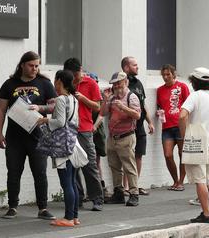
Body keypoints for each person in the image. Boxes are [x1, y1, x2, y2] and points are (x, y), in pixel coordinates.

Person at [0, 51, 57, 220]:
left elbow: (54, 107)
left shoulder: (45, 83)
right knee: (13, 172)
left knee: (40, 172)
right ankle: (12, 206)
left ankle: (43, 208)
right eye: (31, 65)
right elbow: (1, 110)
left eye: (37, 66)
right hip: (14, 137)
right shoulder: (10, 83)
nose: (34, 69)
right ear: (22, 65)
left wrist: (40, 108)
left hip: (38, 136)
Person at [35, 70, 80, 227]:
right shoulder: (74, 99)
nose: (54, 83)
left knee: (66, 183)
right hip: (72, 142)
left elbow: (60, 122)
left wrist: (45, 121)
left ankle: (67, 218)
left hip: (62, 146)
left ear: (59, 81)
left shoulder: (61, 99)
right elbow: (73, 121)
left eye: (55, 80)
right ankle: (74, 217)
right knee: (72, 182)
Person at [179, 67, 209, 224]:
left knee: (200, 179)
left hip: (197, 141)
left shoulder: (195, 96)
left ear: (194, 82)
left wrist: (185, 135)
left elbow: (182, 115)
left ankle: (206, 214)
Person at [63, 58, 104, 212]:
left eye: (77, 74)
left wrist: (82, 98)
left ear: (80, 69)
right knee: (72, 165)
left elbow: (97, 107)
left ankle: (97, 198)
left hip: (85, 129)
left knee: (89, 164)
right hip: (68, 129)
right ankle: (78, 196)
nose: (75, 77)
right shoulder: (66, 82)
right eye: (72, 75)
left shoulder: (90, 83)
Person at [101, 72, 141, 206]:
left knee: (129, 166)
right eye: (114, 84)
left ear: (126, 82)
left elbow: (137, 115)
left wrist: (123, 107)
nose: (117, 86)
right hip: (113, 137)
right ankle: (118, 192)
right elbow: (103, 113)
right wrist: (106, 100)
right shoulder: (112, 97)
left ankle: (134, 194)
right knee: (114, 166)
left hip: (126, 136)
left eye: (119, 82)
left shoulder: (132, 96)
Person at [121, 56, 154, 196]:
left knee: (138, 155)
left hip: (139, 126)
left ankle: (135, 184)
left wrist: (150, 121)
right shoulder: (121, 84)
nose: (137, 67)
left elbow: (143, 104)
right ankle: (125, 187)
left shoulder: (139, 83)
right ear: (126, 67)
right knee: (127, 157)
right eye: (134, 65)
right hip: (127, 126)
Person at [156, 64, 190, 192]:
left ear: (173, 74)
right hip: (167, 126)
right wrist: (159, 112)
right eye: (163, 75)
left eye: (168, 74)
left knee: (183, 154)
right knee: (168, 154)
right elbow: (159, 106)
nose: (165, 77)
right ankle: (175, 180)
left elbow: (189, 105)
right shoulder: (160, 90)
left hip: (180, 125)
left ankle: (181, 181)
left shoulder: (182, 87)